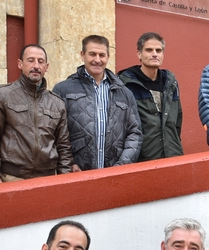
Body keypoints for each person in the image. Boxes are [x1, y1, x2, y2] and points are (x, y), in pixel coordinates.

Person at [0, 44, 73, 182]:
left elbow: (64, 147)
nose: (36, 66)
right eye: (30, 60)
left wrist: (64, 180)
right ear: (20, 64)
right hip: (11, 177)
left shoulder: (57, 103)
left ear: (46, 67)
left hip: (47, 180)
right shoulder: (2, 95)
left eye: (40, 61)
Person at [53, 35, 142, 170]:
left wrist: (122, 166)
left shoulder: (124, 93)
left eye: (102, 55)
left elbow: (135, 133)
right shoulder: (63, 90)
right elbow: (55, 131)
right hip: (77, 173)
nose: (97, 60)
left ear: (108, 57)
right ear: (82, 55)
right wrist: (69, 163)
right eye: (92, 54)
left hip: (114, 173)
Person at [118, 32, 183, 162]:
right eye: (149, 50)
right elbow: (120, 126)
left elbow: (177, 121)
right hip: (141, 160)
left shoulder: (170, 83)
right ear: (139, 54)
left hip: (172, 156)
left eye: (158, 50)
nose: (154, 54)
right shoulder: (126, 84)